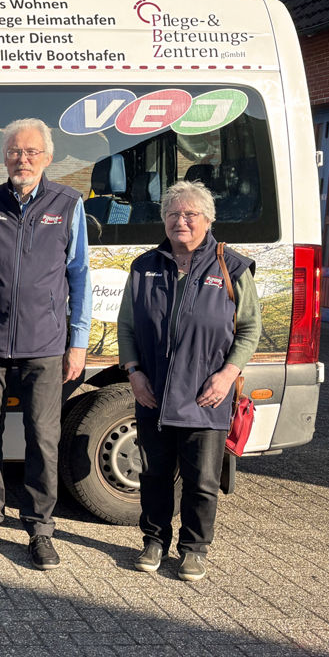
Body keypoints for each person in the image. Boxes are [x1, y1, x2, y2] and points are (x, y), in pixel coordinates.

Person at [0, 118, 91, 570]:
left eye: (32, 152)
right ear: (4, 157)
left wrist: (78, 341)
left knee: (43, 437)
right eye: (15, 152)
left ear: (48, 157)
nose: (23, 159)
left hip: (47, 342)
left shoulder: (68, 204)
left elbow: (80, 277)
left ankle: (40, 528)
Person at [118, 179, 260, 582]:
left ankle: (195, 548)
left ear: (208, 220)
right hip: (153, 393)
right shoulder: (145, 267)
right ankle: (154, 540)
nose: (181, 221)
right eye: (173, 214)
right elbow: (126, 326)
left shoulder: (231, 267)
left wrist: (227, 374)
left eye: (190, 214)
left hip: (206, 395)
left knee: (201, 480)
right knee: (154, 474)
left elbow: (249, 329)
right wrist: (134, 373)